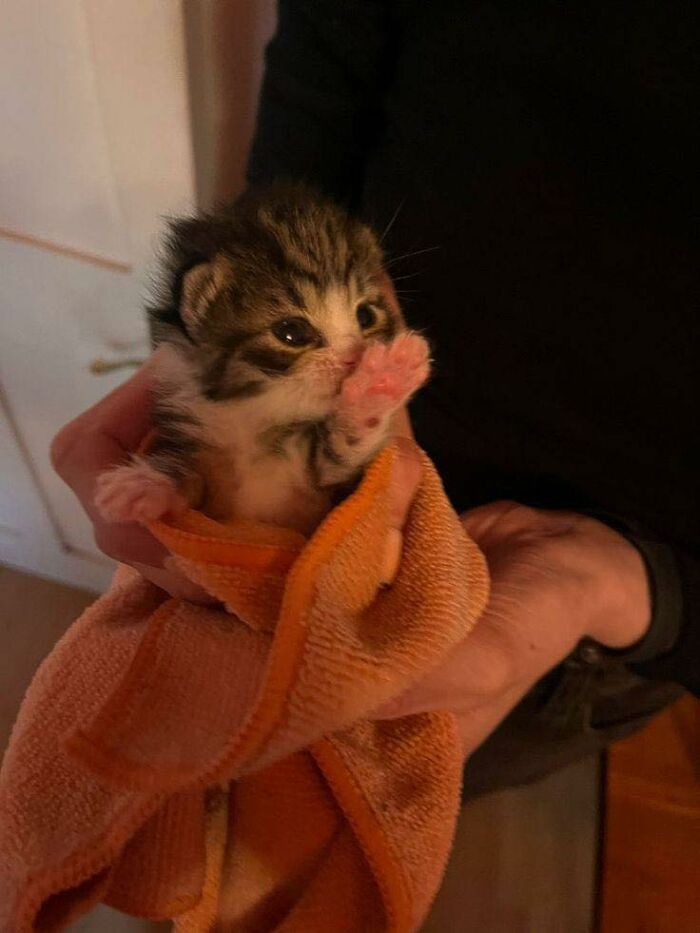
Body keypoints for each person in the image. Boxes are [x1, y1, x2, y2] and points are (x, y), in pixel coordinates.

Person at [52, 1, 697, 791]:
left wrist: (638, 591)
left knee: (359, 809)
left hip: (602, 615)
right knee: (190, 769)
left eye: (362, 321)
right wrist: (261, 274)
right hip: (322, 504)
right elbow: (330, 60)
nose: (352, 350)